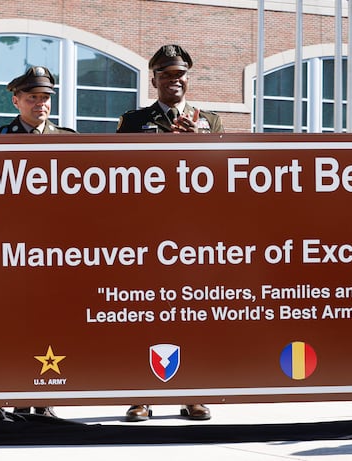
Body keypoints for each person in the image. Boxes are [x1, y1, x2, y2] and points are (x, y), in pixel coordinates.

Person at [116, 44, 224, 422]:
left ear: (187, 79)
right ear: (154, 80)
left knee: (194, 315)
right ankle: (141, 396)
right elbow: (120, 175)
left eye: (179, 75)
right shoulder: (133, 121)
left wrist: (201, 142)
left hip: (195, 239)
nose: (173, 81)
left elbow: (227, 178)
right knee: (143, 314)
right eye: (166, 75)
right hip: (148, 236)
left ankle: (193, 392)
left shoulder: (209, 121)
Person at [0, 65, 76, 417]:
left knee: (55, 322)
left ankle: (46, 400)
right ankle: (20, 397)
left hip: (58, 253)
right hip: (16, 252)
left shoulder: (70, 140)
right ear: (16, 101)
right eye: (32, 97)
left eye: (45, 98)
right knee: (19, 324)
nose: (40, 104)